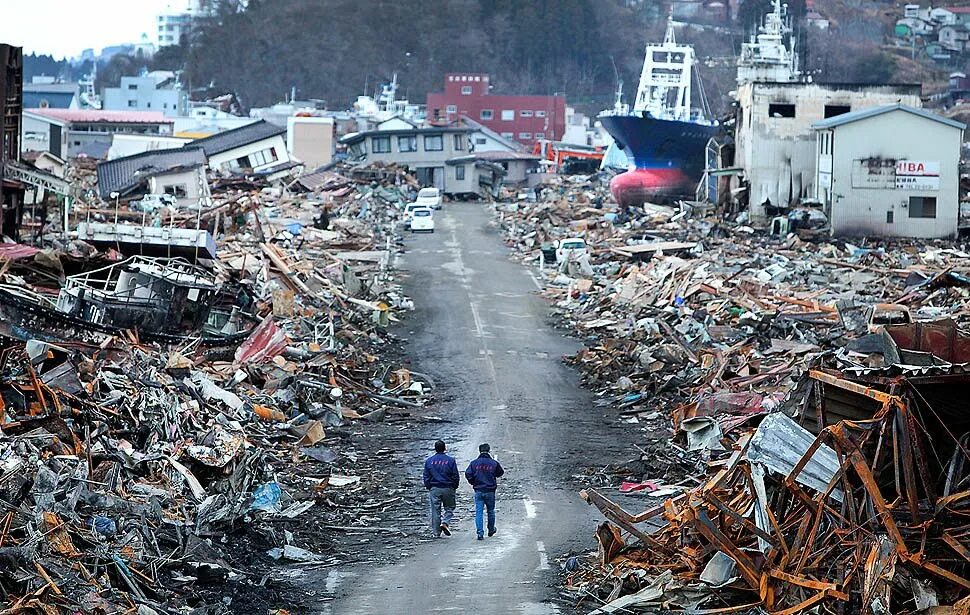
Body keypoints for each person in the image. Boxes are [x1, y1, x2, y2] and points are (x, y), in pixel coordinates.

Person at [465, 443, 505, 540]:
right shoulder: (493, 463)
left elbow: (468, 474)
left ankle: (480, 533)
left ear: (479, 451)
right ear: (489, 450)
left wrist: (473, 482)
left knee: (479, 512)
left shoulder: (474, 463)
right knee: (490, 511)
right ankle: (491, 529)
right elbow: (500, 472)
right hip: (490, 490)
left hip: (478, 490)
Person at [423, 440, 459, 538]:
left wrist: (429, 486)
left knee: (435, 511)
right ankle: (445, 522)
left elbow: (426, 476)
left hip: (434, 488)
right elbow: (455, 475)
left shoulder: (429, 461)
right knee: (450, 508)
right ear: (445, 448)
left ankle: (436, 533)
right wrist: (454, 486)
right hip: (448, 487)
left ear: (435, 448)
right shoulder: (451, 460)